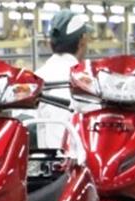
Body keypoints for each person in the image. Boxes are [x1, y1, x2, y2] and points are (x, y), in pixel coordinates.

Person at [34, 9, 92, 148]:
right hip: (78, 165)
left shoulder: (36, 79)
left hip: (44, 165)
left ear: (50, 43)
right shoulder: (87, 83)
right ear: (82, 41)